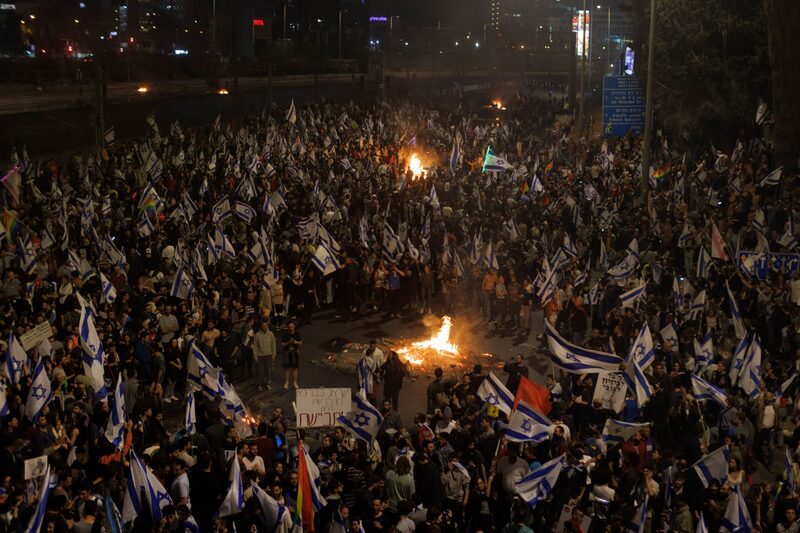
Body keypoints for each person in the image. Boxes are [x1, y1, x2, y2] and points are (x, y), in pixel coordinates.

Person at [253, 320, 277, 391]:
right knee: (260, 371)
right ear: (261, 326)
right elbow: (255, 347)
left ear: (267, 326)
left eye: (266, 325)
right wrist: (255, 356)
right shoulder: (257, 335)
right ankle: (259, 385)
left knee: (268, 371)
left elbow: (273, 344)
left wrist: (274, 354)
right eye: (263, 325)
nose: (264, 327)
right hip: (260, 356)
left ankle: (267, 384)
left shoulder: (271, 334)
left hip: (269, 355)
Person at [281, 320, 302, 389]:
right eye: (289, 327)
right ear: (288, 327)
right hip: (287, 353)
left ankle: (294, 382)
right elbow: (282, 344)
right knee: (287, 368)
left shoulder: (297, 334)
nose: (291, 328)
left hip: (295, 353)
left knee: (295, 368)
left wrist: (296, 342)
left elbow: (301, 342)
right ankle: (286, 382)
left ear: (294, 326)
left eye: (292, 326)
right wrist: (288, 342)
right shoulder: (285, 334)